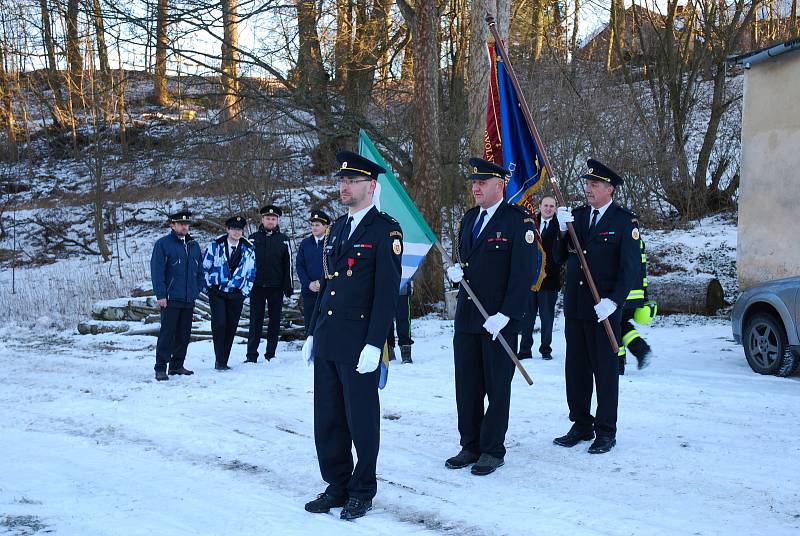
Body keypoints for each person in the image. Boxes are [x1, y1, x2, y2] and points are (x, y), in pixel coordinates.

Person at [301, 150, 402, 521]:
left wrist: (376, 343)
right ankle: (337, 484)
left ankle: (362, 489)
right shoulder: (338, 228)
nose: (343, 187)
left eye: (351, 181)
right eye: (341, 181)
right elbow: (329, 286)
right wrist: (312, 332)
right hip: (329, 336)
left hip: (359, 341)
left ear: (371, 186)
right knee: (327, 417)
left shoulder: (385, 230)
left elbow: (386, 294)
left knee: (361, 419)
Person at [443, 157, 538, 476]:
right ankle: (469, 444)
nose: (476, 186)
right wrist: (454, 274)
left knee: (497, 386)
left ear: (501, 185)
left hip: (499, 320)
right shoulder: (469, 219)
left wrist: (507, 314)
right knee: (467, 385)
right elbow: (467, 262)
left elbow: (524, 273)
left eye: (482, 182)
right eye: (473, 182)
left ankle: (493, 449)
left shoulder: (518, 221)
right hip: (469, 318)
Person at [551, 159, 641, 454]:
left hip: (604, 310)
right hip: (576, 307)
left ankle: (605, 430)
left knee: (604, 371)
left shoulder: (623, 222)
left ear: (609, 189)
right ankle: (580, 423)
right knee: (575, 370)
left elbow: (630, 270)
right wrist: (561, 230)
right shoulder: (576, 216)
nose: (588, 189)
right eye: (587, 184)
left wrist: (615, 301)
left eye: (594, 185)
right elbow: (557, 257)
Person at [150, 210, 205, 381]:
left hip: (189, 297)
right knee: (167, 333)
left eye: (186, 224)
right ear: (172, 225)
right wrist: (161, 294)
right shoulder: (163, 244)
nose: (184, 227)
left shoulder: (193, 245)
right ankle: (161, 367)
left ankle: (176, 365)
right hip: (171, 297)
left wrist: (197, 289)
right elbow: (157, 271)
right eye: (181, 224)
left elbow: (199, 270)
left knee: (183, 334)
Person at [202, 216, 257, 370]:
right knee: (220, 324)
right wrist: (208, 288)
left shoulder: (248, 248)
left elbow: (251, 272)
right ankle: (219, 359)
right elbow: (204, 268)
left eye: (239, 229)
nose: (236, 232)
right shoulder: (215, 246)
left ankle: (223, 361)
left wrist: (245, 291)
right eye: (233, 229)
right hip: (217, 292)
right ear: (227, 229)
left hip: (236, 293)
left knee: (231, 326)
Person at [246, 204, 293, 363]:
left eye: (273, 219)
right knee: (255, 321)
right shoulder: (252, 238)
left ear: (277, 220)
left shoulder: (284, 240)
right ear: (262, 219)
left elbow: (289, 264)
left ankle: (270, 354)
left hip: (276, 287)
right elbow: (246, 264)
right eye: (268, 218)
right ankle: (251, 355)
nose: (270, 221)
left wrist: (288, 286)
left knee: (275, 321)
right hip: (257, 287)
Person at [519, 195, 563, 361]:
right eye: (546, 205)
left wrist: (546, 271)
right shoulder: (530, 223)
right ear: (540, 206)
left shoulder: (560, 227)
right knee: (527, 317)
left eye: (552, 206)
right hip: (530, 280)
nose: (548, 209)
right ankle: (524, 350)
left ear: (555, 208)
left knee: (547, 318)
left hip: (549, 280)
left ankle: (546, 349)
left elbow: (560, 255)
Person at [617, 235, 654, 374]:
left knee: (614, 326)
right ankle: (641, 350)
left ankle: (618, 364)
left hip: (623, 293)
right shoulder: (638, 241)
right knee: (622, 325)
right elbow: (642, 270)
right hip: (636, 293)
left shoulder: (622, 238)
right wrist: (644, 296)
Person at [296, 210, 331, 335]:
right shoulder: (305, 243)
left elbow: (334, 266)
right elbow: (299, 266)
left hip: (326, 290)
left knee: (326, 325)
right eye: (312, 225)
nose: (314, 228)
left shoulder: (331, 242)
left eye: (318, 225)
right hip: (309, 291)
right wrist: (308, 284)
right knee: (310, 325)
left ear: (326, 226)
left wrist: (322, 282)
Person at [386, 279, 414, 364]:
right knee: (386, 319)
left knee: (404, 319)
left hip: (403, 287)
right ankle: (388, 348)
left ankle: (406, 350)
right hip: (385, 287)